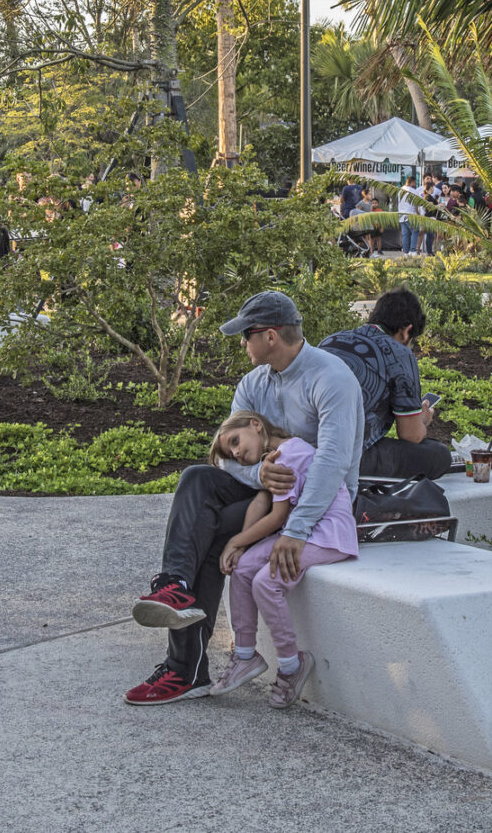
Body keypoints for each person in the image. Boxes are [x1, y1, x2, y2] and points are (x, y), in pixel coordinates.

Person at [124, 291, 363, 706]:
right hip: (266, 495)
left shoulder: (331, 378)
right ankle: (175, 585)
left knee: (212, 532)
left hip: (318, 503)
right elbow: (223, 455)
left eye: (245, 335)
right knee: (197, 479)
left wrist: (299, 530)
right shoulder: (253, 383)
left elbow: (333, 462)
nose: (241, 344)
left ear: (270, 336)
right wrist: (259, 473)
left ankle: (186, 671)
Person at [204, 410, 358, 707]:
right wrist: (241, 549)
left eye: (234, 441)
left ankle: (292, 664)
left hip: (327, 534)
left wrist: (235, 541)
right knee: (244, 568)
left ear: (256, 424)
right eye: (231, 453)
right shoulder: (273, 460)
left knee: (265, 582)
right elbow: (264, 503)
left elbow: (277, 517)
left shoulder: (291, 453)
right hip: (298, 531)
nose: (236, 452)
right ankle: (245, 655)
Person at [319, 288, 445, 480]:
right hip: (348, 457)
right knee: (438, 455)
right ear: (406, 331)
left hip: (306, 445)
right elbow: (412, 436)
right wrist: (423, 419)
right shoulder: (400, 354)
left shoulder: (330, 341)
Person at [396, 180, 420, 256]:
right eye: (414, 183)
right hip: (411, 214)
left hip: (402, 215)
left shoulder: (400, 190)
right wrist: (418, 214)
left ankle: (405, 252)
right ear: (412, 182)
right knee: (415, 231)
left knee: (405, 234)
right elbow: (416, 204)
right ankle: (413, 251)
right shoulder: (413, 191)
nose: (415, 184)